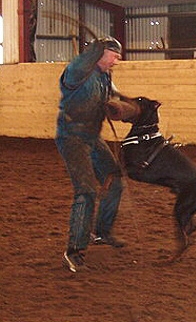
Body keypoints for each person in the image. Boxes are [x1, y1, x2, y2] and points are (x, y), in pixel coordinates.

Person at [56, 37, 126, 273]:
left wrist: (120, 105)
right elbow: (82, 64)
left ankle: (101, 233)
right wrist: (94, 50)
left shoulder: (105, 75)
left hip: (92, 137)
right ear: (101, 52)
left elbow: (112, 95)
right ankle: (74, 251)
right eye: (114, 55)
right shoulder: (77, 71)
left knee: (114, 178)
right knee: (86, 190)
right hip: (72, 138)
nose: (117, 60)